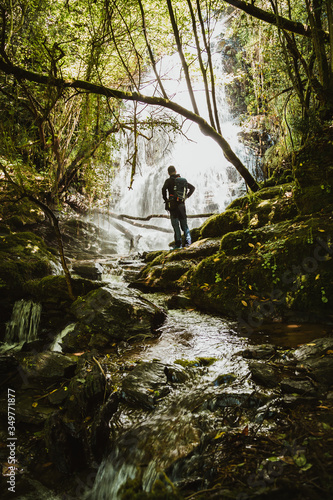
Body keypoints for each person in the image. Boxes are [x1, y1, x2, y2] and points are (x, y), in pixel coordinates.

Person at [162, 165, 195, 249]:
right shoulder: (182, 181)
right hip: (181, 205)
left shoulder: (168, 181)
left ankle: (178, 244)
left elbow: (163, 189)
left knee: (176, 225)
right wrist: (186, 196)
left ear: (168, 173)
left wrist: (166, 199)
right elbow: (192, 188)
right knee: (184, 225)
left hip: (173, 206)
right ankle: (188, 242)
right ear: (176, 171)